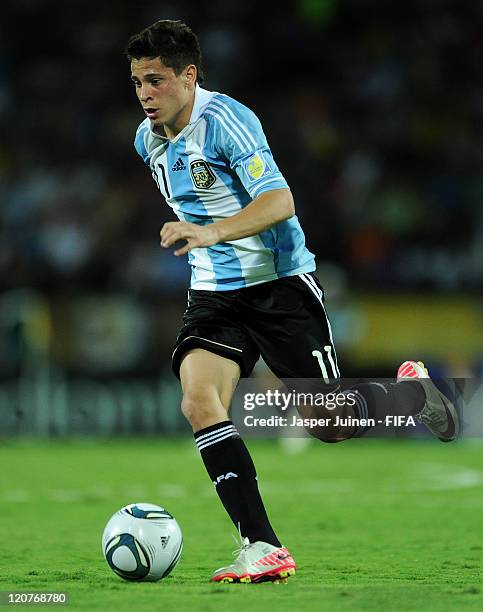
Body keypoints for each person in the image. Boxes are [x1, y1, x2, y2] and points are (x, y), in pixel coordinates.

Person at [125, 20, 459, 584]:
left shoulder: (228, 121)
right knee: (199, 402)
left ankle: (412, 392)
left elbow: (280, 200)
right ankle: (262, 546)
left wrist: (210, 232)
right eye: (136, 82)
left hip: (280, 287)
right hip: (213, 294)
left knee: (329, 424)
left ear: (188, 75)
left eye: (155, 80)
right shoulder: (147, 140)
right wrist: (205, 245)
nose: (144, 94)